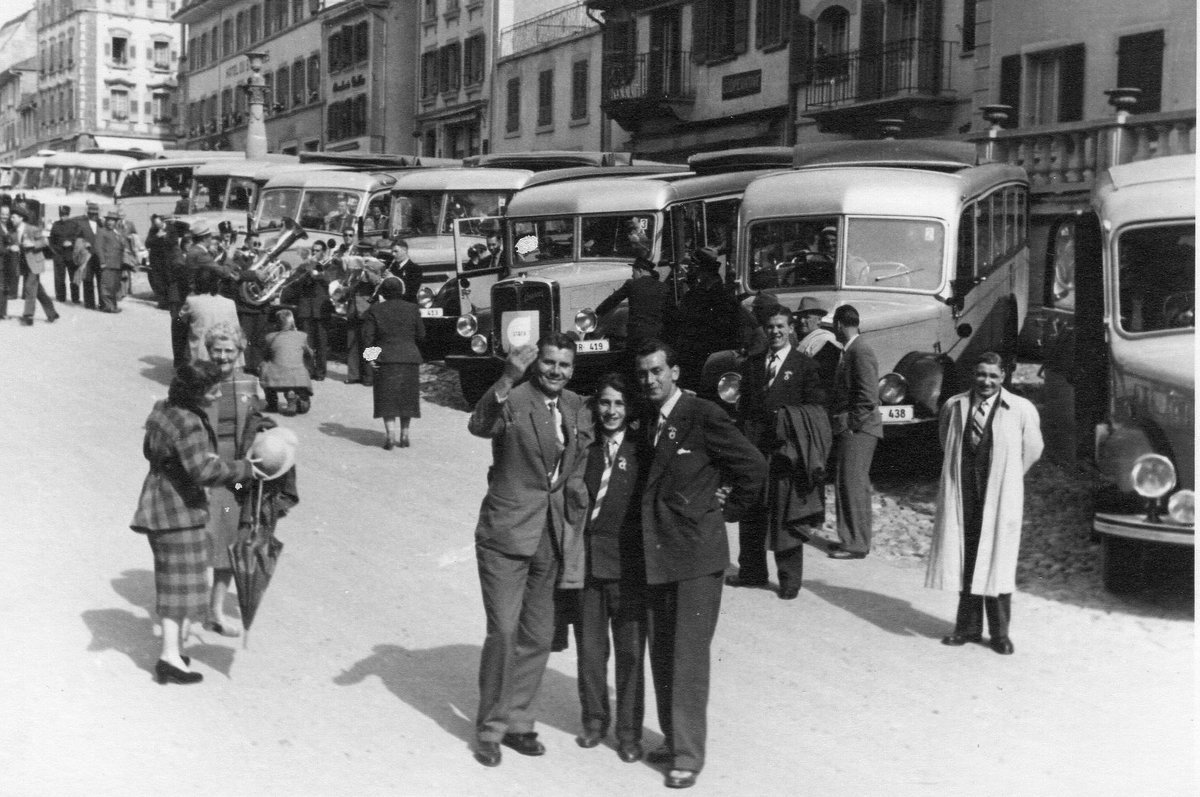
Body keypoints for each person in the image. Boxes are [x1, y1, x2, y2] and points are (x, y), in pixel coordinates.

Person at [634, 340, 766, 790]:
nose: (650, 380)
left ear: (674, 371)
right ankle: (674, 740)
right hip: (659, 553)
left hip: (696, 556)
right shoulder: (649, 417)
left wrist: (724, 511)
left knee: (687, 659)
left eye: (657, 371)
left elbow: (753, 466)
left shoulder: (702, 414)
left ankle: (689, 755)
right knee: (663, 653)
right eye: (644, 374)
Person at [468, 334, 592, 768]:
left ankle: (520, 722)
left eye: (565, 365)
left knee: (538, 635)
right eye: (550, 362)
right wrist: (506, 376)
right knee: (503, 631)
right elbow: (479, 425)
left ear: (574, 369)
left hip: (551, 534)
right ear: (536, 362)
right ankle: (490, 728)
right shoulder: (515, 397)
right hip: (505, 533)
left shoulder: (577, 405)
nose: (556, 371)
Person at [130, 361, 256, 684]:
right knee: (180, 590)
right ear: (195, 393)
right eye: (212, 390)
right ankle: (169, 658)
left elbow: (150, 450)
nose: (217, 395)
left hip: (156, 504)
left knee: (174, 586)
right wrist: (243, 469)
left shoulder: (163, 410)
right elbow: (203, 472)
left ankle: (173, 651)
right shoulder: (190, 423)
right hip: (179, 513)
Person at [927, 352, 1043, 655]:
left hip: (1000, 494)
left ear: (1003, 376)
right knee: (967, 557)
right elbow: (946, 441)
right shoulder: (955, 406)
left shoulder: (1020, 409)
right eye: (981, 374)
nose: (986, 381)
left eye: (993, 376)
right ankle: (967, 628)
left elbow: (1032, 449)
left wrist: (1009, 477)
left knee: (997, 560)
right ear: (973, 375)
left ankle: (1000, 633)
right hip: (964, 489)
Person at [727, 306, 829, 599]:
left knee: (786, 516)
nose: (775, 332)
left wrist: (788, 421)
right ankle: (751, 572)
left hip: (786, 454)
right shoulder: (753, 365)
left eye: (780, 326)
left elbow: (817, 410)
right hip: (755, 451)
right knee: (751, 510)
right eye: (770, 327)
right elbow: (744, 409)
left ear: (790, 329)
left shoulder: (805, 366)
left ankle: (789, 580)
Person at [573, 373, 648, 763]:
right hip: (588, 565)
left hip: (630, 569)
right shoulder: (587, 450)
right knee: (590, 649)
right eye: (605, 403)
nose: (612, 411)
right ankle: (594, 720)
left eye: (619, 404)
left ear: (629, 409)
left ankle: (629, 732)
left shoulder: (642, 453)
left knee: (631, 653)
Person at [828, 305, 882, 559]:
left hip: (860, 429)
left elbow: (868, 396)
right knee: (846, 482)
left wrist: (852, 424)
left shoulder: (860, 351)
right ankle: (849, 538)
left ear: (840, 325)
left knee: (853, 484)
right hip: (856, 428)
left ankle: (856, 543)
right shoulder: (852, 350)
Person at [669, 247, 756, 396]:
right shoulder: (715, 294)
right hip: (709, 360)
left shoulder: (709, 297)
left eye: (693, 267)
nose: (689, 271)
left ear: (701, 271)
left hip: (704, 362)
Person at [362, 276, 425, 449]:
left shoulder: (375, 310)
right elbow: (421, 335)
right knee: (408, 398)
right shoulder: (413, 308)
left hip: (385, 359)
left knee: (386, 399)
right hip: (409, 357)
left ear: (383, 292)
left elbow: (368, 337)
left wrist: (370, 358)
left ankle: (390, 435)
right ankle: (405, 435)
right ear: (402, 291)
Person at [594, 255, 672, 351]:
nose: (632, 275)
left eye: (633, 272)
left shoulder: (631, 284)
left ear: (640, 270)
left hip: (636, 335)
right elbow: (670, 311)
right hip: (657, 335)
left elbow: (612, 301)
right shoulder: (664, 287)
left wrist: (597, 312)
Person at [282, 240, 333, 381]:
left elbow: (331, 281)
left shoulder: (329, 265)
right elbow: (293, 282)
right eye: (313, 250)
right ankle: (308, 370)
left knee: (322, 342)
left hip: (321, 309)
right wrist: (306, 270)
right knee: (307, 341)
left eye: (318, 250)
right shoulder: (304, 265)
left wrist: (318, 274)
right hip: (305, 308)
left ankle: (321, 372)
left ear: (323, 252)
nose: (315, 253)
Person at [180, 267, 241, 365]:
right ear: (218, 284)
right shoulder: (230, 303)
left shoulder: (192, 301)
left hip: (202, 353)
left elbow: (181, 319)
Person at [259, 309, 314, 416]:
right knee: (304, 408)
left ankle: (272, 402)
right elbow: (310, 354)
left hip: (276, 378)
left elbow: (265, 355)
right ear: (292, 322)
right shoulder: (302, 336)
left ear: (277, 324)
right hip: (299, 378)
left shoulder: (270, 337)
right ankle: (293, 396)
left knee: (264, 365)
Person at [13, 207, 59, 325]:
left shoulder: (32, 229)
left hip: (35, 263)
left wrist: (32, 244)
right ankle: (52, 313)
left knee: (29, 287)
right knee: (37, 290)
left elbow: (44, 242)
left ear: (21, 218)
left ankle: (28, 317)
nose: (11, 219)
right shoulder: (15, 230)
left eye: (14, 217)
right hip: (24, 264)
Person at [342, 256, 383, 386]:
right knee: (352, 345)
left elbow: (377, 281)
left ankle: (369, 376)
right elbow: (345, 291)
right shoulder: (352, 274)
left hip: (367, 311)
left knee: (370, 344)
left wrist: (366, 273)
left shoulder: (373, 265)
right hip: (353, 312)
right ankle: (353, 375)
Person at [794, 296, 841, 389]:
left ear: (819, 320)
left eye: (807, 317)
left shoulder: (826, 341)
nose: (802, 321)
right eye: (800, 317)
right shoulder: (804, 339)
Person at [68, 202, 104, 310]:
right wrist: (84, 243)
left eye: (95, 213)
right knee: (88, 278)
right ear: (88, 213)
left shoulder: (101, 224)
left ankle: (103, 303)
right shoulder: (81, 224)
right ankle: (89, 304)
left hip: (99, 255)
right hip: (87, 255)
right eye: (91, 213)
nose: (94, 215)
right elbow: (75, 238)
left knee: (101, 279)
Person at [95, 211, 127, 313]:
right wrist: (102, 261)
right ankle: (108, 307)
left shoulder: (116, 232)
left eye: (112, 220)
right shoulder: (101, 231)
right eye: (108, 220)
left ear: (116, 222)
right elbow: (98, 248)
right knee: (106, 285)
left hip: (117, 264)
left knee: (114, 286)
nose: (110, 222)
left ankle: (113, 305)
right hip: (107, 263)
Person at [48, 205, 78, 304]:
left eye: (64, 215)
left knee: (73, 277)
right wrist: (54, 250)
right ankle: (60, 298)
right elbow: (51, 240)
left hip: (71, 254)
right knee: (59, 278)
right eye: (61, 215)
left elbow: (78, 238)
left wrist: (71, 243)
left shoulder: (74, 224)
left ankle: (75, 298)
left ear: (68, 214)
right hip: (59, 255)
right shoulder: (55, 225)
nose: (62, 217)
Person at [387, 239, 421, 304]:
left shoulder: (415, 269)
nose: (393, 254)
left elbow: (411, 292)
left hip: (407, 305)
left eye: (396, 251)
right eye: (392, 252)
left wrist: (393, 279)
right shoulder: (392, 267)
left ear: (405, 250)